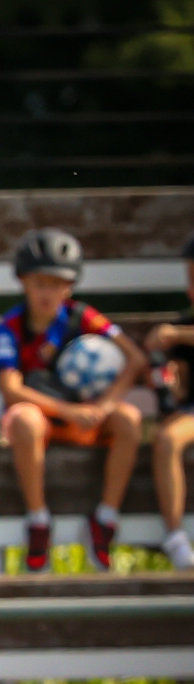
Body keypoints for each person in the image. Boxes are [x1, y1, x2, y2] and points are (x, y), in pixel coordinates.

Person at [0, 228, 147, 573]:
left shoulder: (84, 318)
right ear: (23, 282)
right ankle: (38, 522)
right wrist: (68, 411)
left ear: (70, 286)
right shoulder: (11, 326)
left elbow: (135, 358)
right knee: (24, 419)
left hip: (86, 417)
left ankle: (105, 519)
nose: (47, 292)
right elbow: (10, 389)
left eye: (56, 284)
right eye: (40, 283)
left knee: (129, 419)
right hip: (46, 418)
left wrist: (104, 406)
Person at [147, 233, 194, 571]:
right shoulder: (182, 324)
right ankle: (175, 536)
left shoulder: (179, 330)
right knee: (165, 438)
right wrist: (171, 380)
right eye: (191, 278)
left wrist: (177, 335)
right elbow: (181, 389)